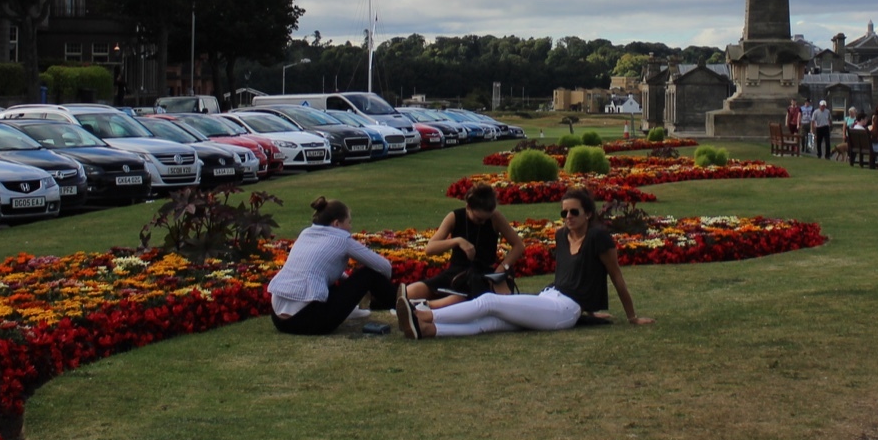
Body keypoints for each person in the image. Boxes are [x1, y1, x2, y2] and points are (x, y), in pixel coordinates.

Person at [399, 186, 651, 338]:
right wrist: (591, 311)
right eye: (564, 212)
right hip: (551, 297)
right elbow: (575, 278)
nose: (568, 217)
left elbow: (615, 276)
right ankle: (430, 330)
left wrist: (632, 317)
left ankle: (426, 315)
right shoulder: (562, 235)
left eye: (574, 212)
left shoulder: (598, 237)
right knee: (492, 324)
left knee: (489, 302)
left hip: (564, 309)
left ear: (588, 213)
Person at [266, 197, 400, 335]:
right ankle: (406, 309)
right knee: (369, 274)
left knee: (323, 280)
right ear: (337, 224)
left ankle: (351, 309)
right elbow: (384, 267)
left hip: (278, 320)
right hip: (305, 321)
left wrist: (349, 284)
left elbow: (316, 267)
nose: (351, 227)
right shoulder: (342, 239)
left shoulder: (306, 233)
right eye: (349, 222)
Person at [402, 183, 525, 308]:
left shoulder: (495, 218)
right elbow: (430, 248)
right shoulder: (455, 217)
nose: (482, 222)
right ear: (468, 207)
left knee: (462, 298)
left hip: (482, 274)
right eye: (478, 219)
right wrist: (458, 241)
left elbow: (518, 245)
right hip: (456, 272)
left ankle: (425, 306)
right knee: (409, 292)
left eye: (485, 219)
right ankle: (418, 305)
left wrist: (502, 268)